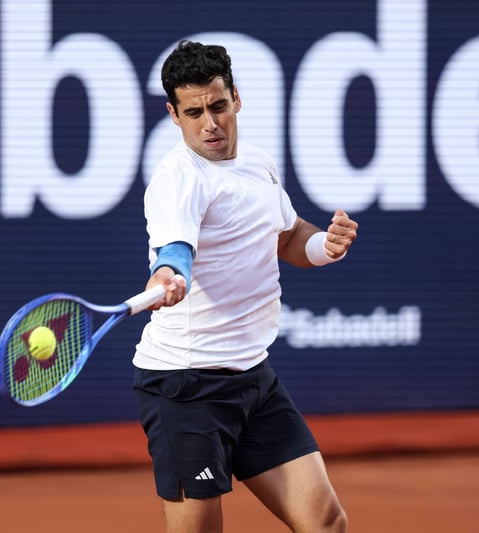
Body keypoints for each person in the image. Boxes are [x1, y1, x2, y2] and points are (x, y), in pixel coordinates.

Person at [133, 40, 356, 532]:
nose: (209, 123)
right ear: (174, 114)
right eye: (194, 113)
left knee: (326, 522)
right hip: (186, 387)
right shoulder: (178, 179)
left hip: (253, 377)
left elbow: (287, 236)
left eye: (217, 106)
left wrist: (325, 246)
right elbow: (175, 250)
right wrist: (169, 275)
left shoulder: (257, 163)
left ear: (236, 97)